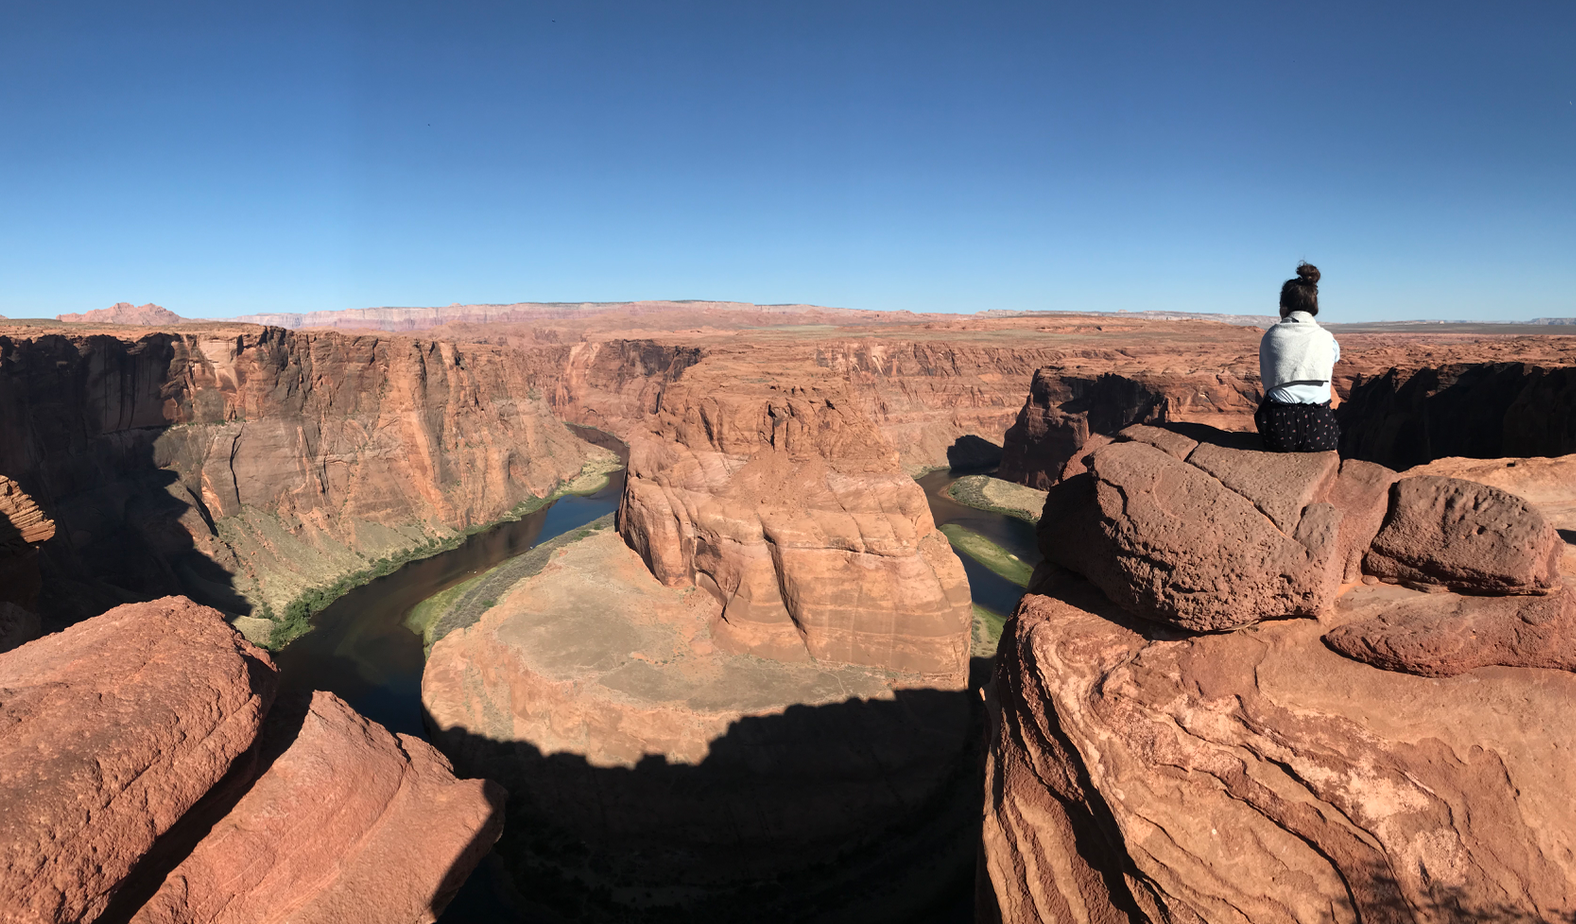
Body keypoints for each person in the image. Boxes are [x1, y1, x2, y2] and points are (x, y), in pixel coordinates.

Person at [1256, 262, 1340, 452]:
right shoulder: (1328, 338)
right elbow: (1334, 359)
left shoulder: (1271, 336)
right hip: (1320, 431)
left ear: (1283, 307)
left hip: (1279, 431)